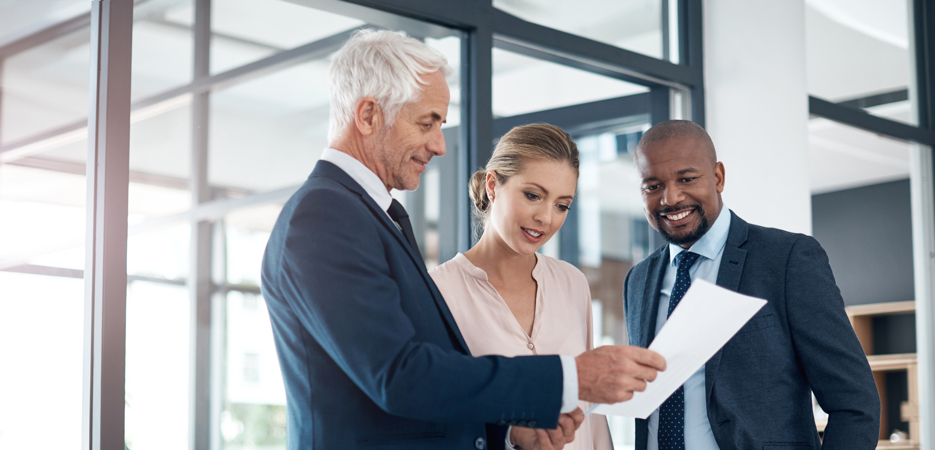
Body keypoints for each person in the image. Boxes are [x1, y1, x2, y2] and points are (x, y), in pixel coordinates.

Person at [261, 29, 666, 450]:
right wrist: (573, 376)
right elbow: (399, 376)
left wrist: (508, 433)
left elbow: (417, 390)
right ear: (368, 116)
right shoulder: (325, 216)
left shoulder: (373, 215)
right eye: (427, 123)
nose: (440, 146)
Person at [623, 119, 880, 450]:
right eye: (652, 186)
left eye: (687, 179)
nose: (670, 198)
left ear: (718, 177)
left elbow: (855, 405)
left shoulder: (786, 259)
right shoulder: (638, 280)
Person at [430, 124, 613, 450]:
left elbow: (593, 411)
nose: (546, 217)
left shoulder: (572, 283)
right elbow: (438, 414)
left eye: (562, 205)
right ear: (492, 185)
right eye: (533, 195)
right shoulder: (438, 291)